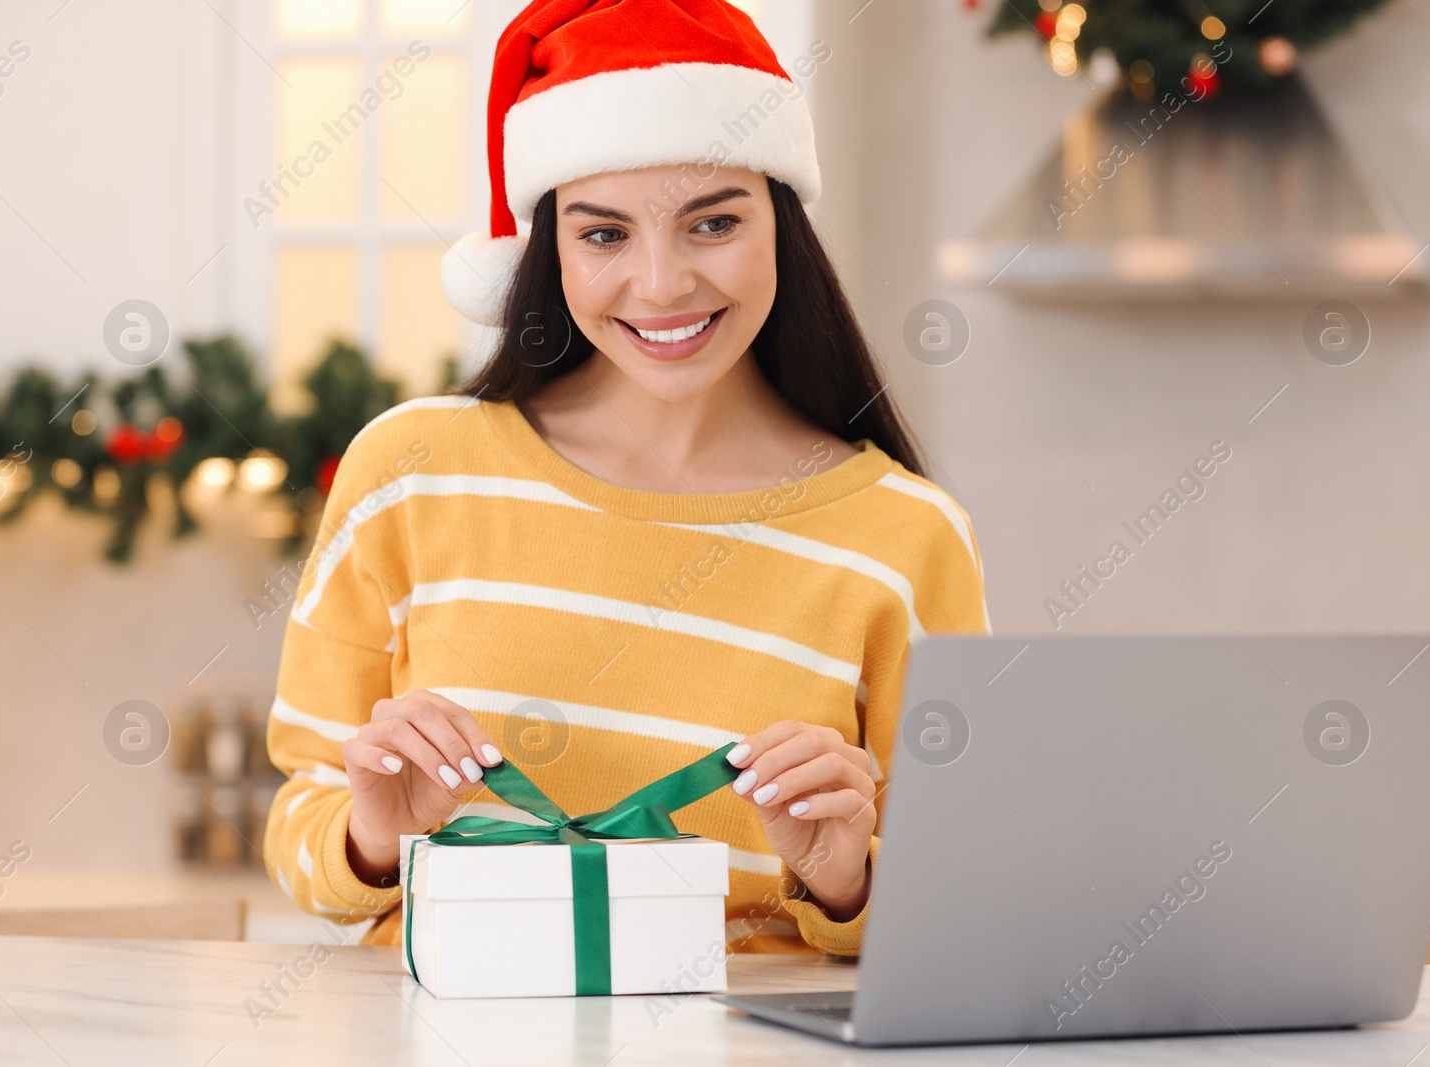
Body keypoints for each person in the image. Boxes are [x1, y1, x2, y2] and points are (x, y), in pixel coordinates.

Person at [264, 0, 990, 958]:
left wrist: (847, 879)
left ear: (781, 224)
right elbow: (300, 822)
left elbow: (968, 903)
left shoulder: (906, 535)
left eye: (713, 222)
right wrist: (371, 836)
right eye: (604, 234)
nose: (661, 284)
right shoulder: (409, 473)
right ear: (549, 251)